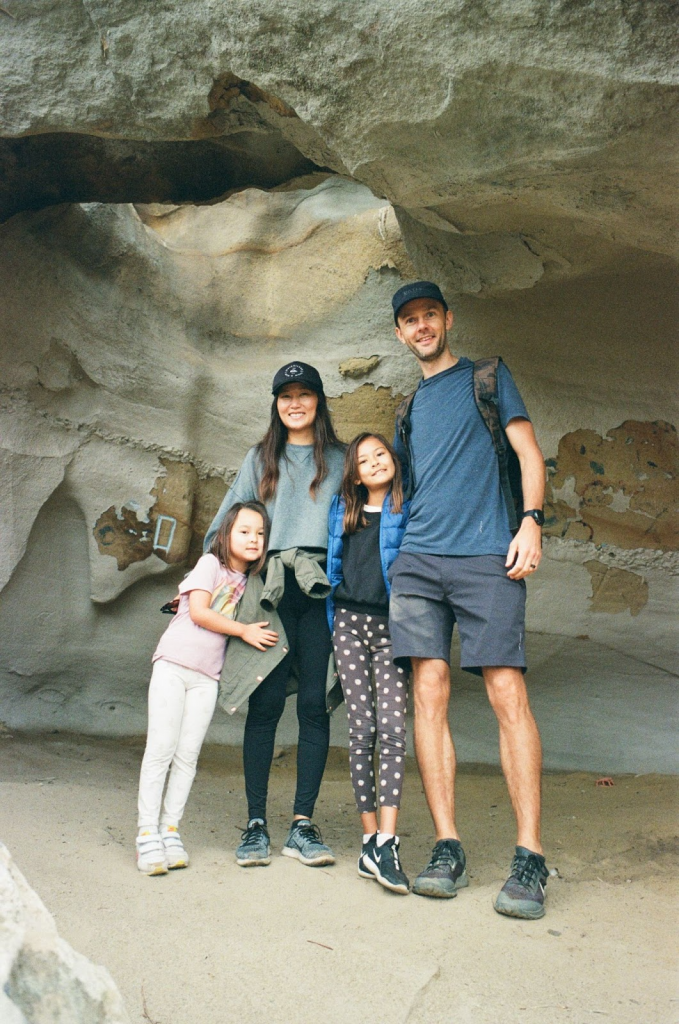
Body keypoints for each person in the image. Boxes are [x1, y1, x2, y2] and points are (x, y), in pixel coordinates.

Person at [388, 280, 550, 919]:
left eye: (430, 315)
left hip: (487, 555)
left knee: (507, 693)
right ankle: (447, 844)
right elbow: (399, 489)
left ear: (447, 320)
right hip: (420, 564)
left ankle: (530, 854)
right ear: (400, 335)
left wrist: (532, 520)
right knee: (428, 694)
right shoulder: (409, 407)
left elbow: (528, 452)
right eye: (410, 320)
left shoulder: (487, 377)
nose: (422, 326)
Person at [204, 362, 345, 868]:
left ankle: (303, 826)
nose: (295, 403)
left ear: (319, 401)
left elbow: (366, 524)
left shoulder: (341, 459)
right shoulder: (259, 458)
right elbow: (221, 531)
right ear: (276, 404)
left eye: (305, 394)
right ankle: (256, 825)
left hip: (319, 592)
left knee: (313, 705)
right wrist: (216, 583)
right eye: (286, 395)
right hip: (268, 592)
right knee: (264, 708)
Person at [136, 501, 274, 875]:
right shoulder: (210, 565)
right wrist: (244, 630)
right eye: (244, 531)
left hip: (207, 678)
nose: (254, 539)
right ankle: (146, 834)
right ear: (226, 534)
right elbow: (198, 611)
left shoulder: (253, 583)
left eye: (260, 533)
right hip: (173, 666)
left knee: (187, 755)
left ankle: (170, 830)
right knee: (161, 748)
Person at [326, 433, 411, 894]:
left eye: (381, 454)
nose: (375, 462)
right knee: (361, 731)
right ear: (354, 474)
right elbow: (334, 569)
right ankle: (367, 838)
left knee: (393, 729)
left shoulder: (406, 508)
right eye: (364, 459)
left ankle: (387, 840)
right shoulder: (345, 511)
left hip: (393, 628)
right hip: (348, 624)